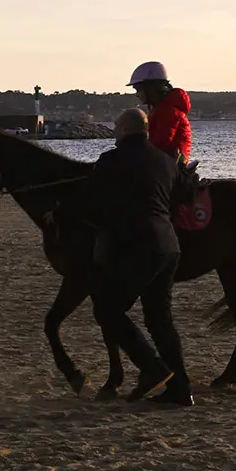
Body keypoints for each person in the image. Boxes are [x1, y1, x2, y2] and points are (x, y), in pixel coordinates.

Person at [56, 107, 192, 406]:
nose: (113, 131)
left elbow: (88, 203)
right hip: (169, 247)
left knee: (107, 312)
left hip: (136, 248)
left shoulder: (110, 160)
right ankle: (180, 390)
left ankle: (152, 368)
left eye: (116, 126)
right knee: (160, 320)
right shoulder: (165, 161)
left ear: (127, 129)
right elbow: (180, 196)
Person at [128, 61, 191, 166]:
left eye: (138, 90)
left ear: (151, 88)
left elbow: (160, 144)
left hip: (168, 171)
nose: (137, 94)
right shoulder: (162, 109)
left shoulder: (168, 111)